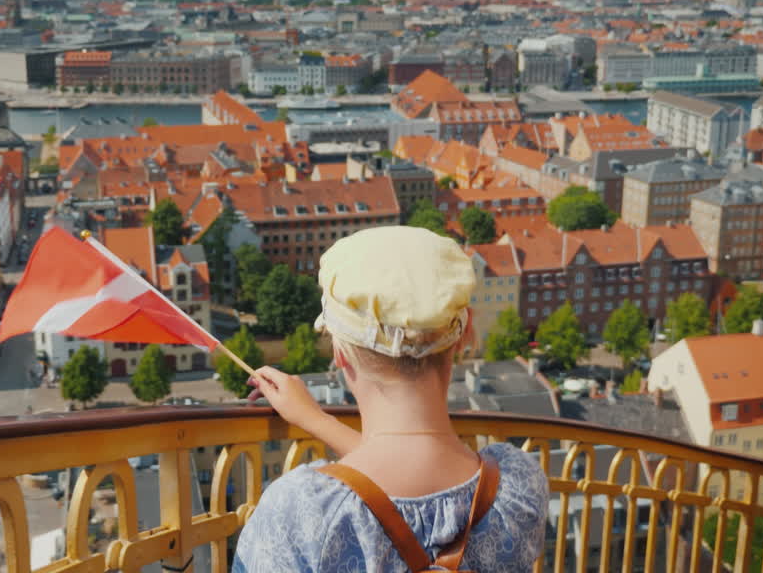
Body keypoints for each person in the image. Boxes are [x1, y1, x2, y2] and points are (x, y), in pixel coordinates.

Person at [234, 226, 548, 572]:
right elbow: (412, 492)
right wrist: (316, 420)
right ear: (466, 332)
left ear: (340, 352)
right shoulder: (519, 487)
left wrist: (314, 419)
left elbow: (381, 490)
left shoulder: (300, 513)